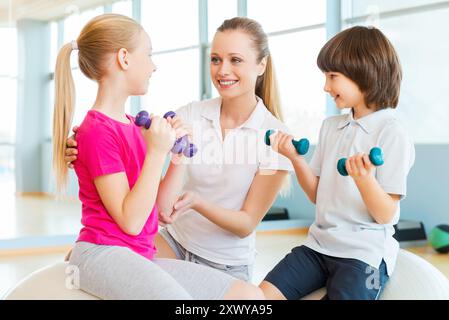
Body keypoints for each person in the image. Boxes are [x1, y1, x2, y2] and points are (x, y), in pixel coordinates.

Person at [64, 17, 294, 282]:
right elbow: (120, 139)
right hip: (172, 244)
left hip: (228, 264)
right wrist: (80, 146)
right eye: (216, 59)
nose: (222, 70)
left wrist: (197, 202)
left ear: (261, 65)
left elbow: (246, 225)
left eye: (236, 60)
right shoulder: (191, 114)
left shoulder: (274, 139)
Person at [260, 26, 415, 300]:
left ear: (364, 73)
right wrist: (296, 159)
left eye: (333, 76)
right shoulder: (331, 127)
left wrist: (364, 180)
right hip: (317, 247)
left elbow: (386, 215)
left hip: (363, 256)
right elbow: (317, 196)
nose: (326, 86)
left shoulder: (392, 132)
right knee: (258, 297)